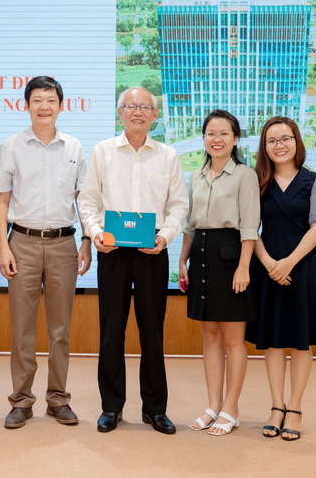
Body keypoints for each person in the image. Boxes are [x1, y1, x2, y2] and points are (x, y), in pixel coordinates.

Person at [78, 86, 188, 435]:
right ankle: (111, 407)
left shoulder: (168, 155)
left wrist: (164, 237)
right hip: (112, 251)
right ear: (120, 113)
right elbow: (88, 200)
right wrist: (96, 233)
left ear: (155, 115)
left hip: (152, 249)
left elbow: (179, 205)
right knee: (111, 330)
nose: (137, 112)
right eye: (130, 106)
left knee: (152, 331)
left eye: (145, 107)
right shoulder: (102, 152)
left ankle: (155, 409)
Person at [0, 76, 91, 428]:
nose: (44, 106)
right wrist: (4, 247)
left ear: (61, 106)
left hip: (64, 244)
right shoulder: (11, 146)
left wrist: (87, 240)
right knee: (22, 330)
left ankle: (58, 399)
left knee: (60, 329)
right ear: (27, 105)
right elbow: (1, 200)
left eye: (50, 100)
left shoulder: (74, 147)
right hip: (22, 243)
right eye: (37, 100)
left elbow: (83, 200)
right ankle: (21, 401)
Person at [245, 116, 316, 441]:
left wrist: (288, 263)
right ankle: (276, 406)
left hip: (303, 267)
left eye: (285, 138)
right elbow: (250, 227)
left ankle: (295, 407)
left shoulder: (315, 180)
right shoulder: (256, 181)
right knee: (273, 340)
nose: (279, 145)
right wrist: (270, 263)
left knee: (300, 340)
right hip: (267, 266)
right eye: (271, 140)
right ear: (264, 147)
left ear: (297, 141)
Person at [178, 110, 260, 436]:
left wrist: (244, 267)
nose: (217, 139)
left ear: (235, 138)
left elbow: (250, 226)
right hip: (200, 255)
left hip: (231, 257)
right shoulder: (196, 176)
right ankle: (213, 405)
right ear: (203, 138)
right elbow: (189, 225)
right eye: (211, 133)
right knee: (209, 335)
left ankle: (232, 408)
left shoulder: (245, 175)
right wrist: (181, 262)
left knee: (233, 339)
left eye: (224, 133)